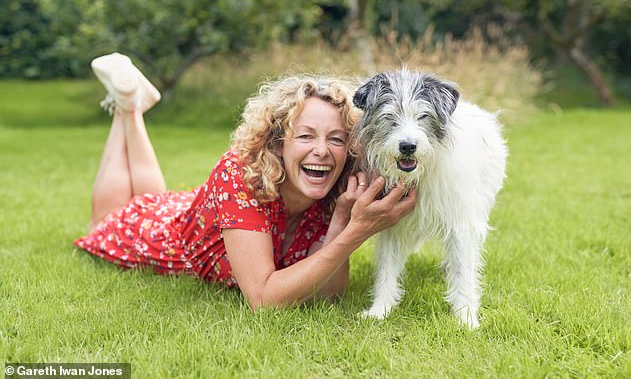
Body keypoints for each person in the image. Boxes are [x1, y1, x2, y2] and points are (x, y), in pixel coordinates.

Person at [75, 52, 417, 309]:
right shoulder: (238, 173)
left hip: (191, 210)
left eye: (337, 139)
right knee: (104, 221)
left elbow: (327, 294)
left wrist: (344, 219)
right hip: (159, 233)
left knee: (154, 195)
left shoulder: (340, 186)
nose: (322, 151)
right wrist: (358, 232)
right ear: (278, 142)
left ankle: (131, 104)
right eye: (306, 136)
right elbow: (264, 298)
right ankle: (127, 109)